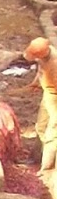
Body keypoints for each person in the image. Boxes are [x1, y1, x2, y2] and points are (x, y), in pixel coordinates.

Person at [25, 37, 57, 174]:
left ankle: (46, 167)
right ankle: (35, 158)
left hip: (55, 96)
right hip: (48, 94)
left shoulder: (55, 64)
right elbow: (40, 69)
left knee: (52, 133)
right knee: (41, 126)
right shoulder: (45, 54)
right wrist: (36, 82)